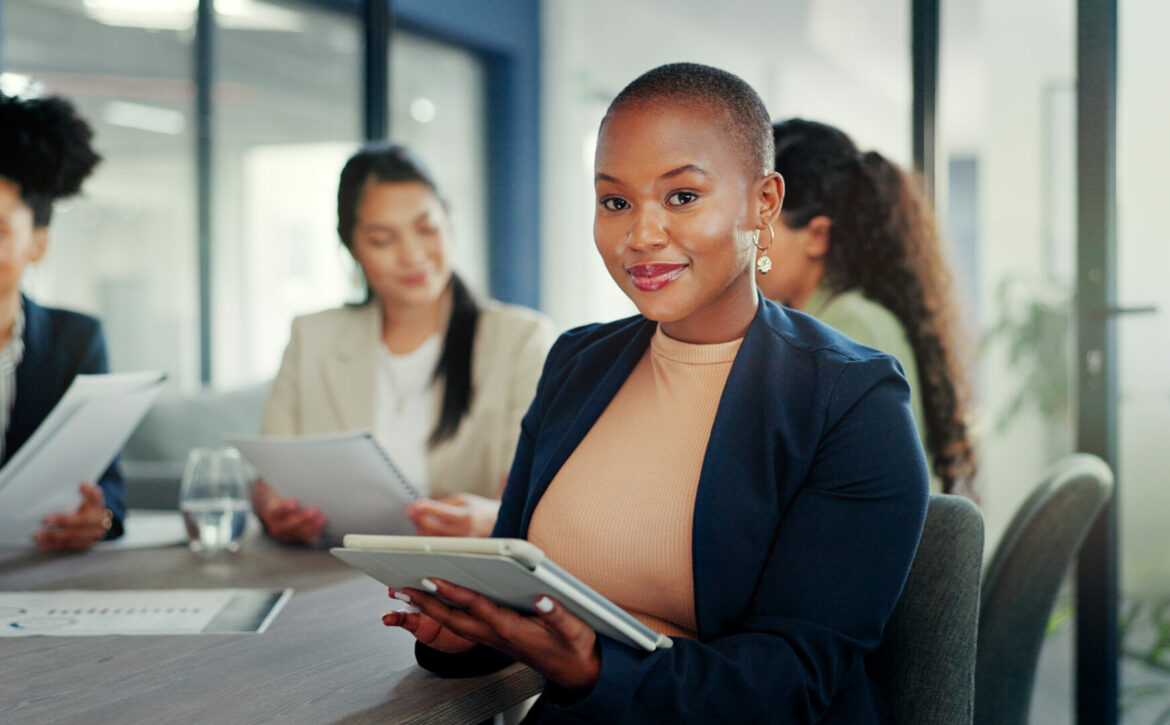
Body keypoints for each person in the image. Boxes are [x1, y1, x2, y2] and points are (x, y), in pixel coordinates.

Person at [380, 63, 928, 722]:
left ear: (765, 203)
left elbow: (793, 678)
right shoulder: (578, 361)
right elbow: (519, 584)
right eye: (615, 201)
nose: (640, 235)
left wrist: (596, 669)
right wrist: (470, 634)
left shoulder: (853, 399)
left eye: (681, 197)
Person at [255, 143, 555, 544]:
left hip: (457, 572)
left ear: (448, 221)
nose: (413, 255)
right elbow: (269, 480)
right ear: (351, 247)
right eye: (382, 239)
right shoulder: (312, 338)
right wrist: (275, 511)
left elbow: (541, 494)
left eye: (426, 229)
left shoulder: (520, 341)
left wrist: (491, 519)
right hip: (333, 566)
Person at [759, 118, 977, 496]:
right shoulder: (844, 315)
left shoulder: (846, 327)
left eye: (761, 226)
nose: (746, 244)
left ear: (816, 236)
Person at [0, 91, 125, 550]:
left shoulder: (75, 340)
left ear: (39, 243)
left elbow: (107, 482)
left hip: (37, 569)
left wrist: (99, 517)